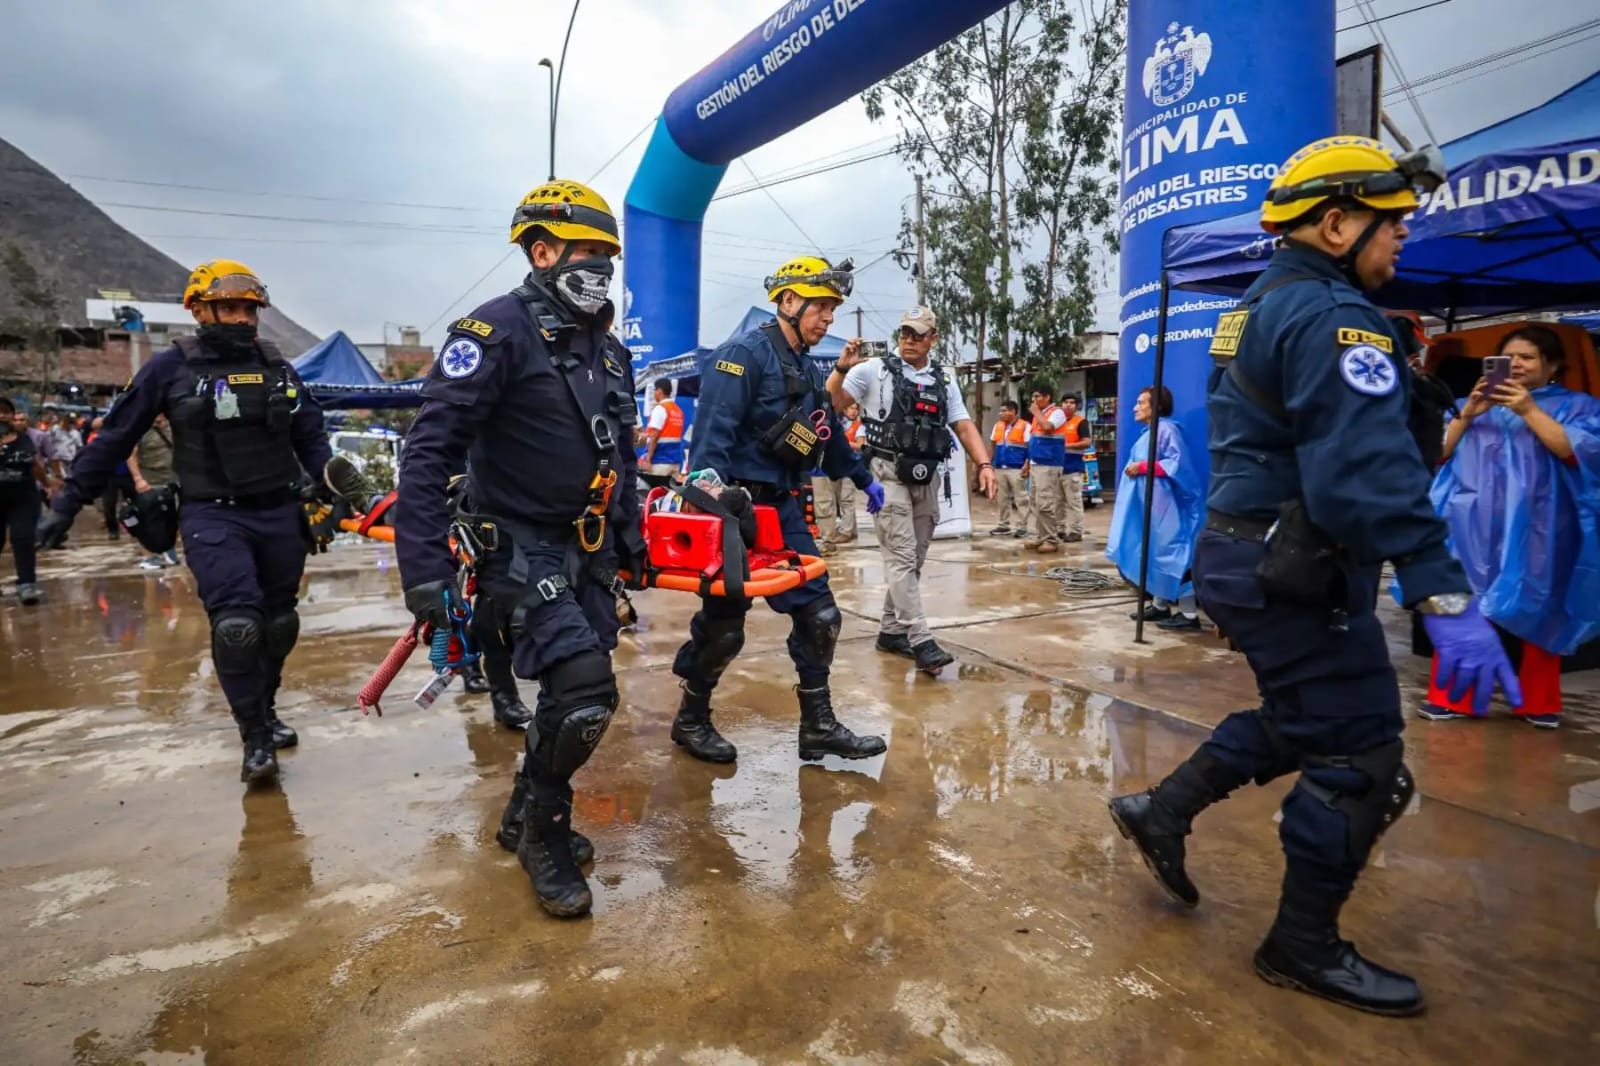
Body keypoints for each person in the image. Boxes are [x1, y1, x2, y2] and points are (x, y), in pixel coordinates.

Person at [1106, 137, 1520, 1017]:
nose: (1401, 235)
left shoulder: (1260, 305)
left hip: (1250, 554)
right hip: (1291, 564)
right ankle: (1301, 945)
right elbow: (1361, 474)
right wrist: (1442, 589)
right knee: (1362, 754)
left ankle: (1163, 810)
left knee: (1304, 718)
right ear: (1335, 225)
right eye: (1389, 221)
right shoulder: (1334, 318)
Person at [395, 179, 642, 918]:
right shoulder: (493, 332)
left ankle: (520, 811)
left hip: (586, 549)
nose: (600, 267)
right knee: (586, 694)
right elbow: (427, 454)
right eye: (585, 251)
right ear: (541, 252)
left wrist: (630, 541)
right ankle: (544, 834)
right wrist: (425, 571)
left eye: (607, 254)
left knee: (572, 698)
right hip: (517, 548)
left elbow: (621, 454)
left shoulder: (610, 350)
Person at [36, 260, 336, 785]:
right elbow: (115, 437)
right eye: (230, 308)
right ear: (199, 311)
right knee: (238, 627)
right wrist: (67, 504)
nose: (242, 318)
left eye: (249, 310)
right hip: (212, 514)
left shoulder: (277, 366)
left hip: (279, 511)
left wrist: (334, 494)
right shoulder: (168, 368)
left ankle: (265, 707)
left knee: (278, 623)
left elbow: (311, 437)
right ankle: (254, 738)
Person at [668, 254, 887, 765]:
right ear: (789, 301)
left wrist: (862, 479)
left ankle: (818, 728)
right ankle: (691, 718)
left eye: (833, 308)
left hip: (783, 512)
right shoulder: (741, 356)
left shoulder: (807, 368)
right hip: (735, 511)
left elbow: (825, 436)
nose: (828, 317)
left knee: (821, 615)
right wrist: (714, 508)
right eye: (821, 306)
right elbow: (711, 442)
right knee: (724, 629)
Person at [1420, 325, 1600, 728]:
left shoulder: (1579, 407)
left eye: (1528, 357)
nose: (1516, 364)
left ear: (1552, 365)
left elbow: (1577, 452)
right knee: (1458, 606)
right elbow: (1435, 453)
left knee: (1542, 605)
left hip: (1540, 528)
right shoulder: (1466, 405)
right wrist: (1468, 414)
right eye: (1508, 357)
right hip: (1469, 527)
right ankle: (1452, 697)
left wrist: (1528, 410)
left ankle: (1538, 701)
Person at [829, 305, 997, 672]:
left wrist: (984, 465)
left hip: (927, 476)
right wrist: (842, 368)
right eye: (904, 332)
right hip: (886, 475)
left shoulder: (944, 379)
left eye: (917, 334)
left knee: (914, 558)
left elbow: (963, 425)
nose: (909, 340)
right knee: (901, 557)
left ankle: (891, 631)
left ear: (932, 339)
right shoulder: (871, 370)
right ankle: (921, 639)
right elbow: (832, 404)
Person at [1110, 386, 1203, 631]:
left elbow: (1178, 465)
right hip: (1151, 506)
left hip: (1166, 507)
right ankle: (1161, 605)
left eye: (1141, 402)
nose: (1135, 407)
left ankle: (1189, 614)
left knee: (1172, 554)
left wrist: (1143, 466)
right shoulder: (1152, 431)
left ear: (1157, 406)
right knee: (1154, 552)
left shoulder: (1166, 430)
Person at [1, 396, 46, 605]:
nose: (2, 415)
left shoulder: (23, 438)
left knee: (23, 539)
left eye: (6, 412)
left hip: (23, 499)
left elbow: (34, 464)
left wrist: (48, 484)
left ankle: (27, 584)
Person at [126, 415, 181, 569]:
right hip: (149, 481)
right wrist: (138, 478)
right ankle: (151, 556)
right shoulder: (140, 428)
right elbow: (131, 455)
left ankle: (169, 549)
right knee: (150, 521)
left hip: (173, 479)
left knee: (174, 517)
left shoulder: (173, 425)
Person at [812, 400, 863, 553]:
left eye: (855, 408)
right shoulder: (819, 411)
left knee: (842, 500)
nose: (852, 411)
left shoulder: (850, 424)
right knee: (826, 502)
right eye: (850, 408)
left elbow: (858, 445)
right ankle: (830, 537)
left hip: (839, 463)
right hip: (820, 461)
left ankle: (839, 535)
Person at [1023, 384, 1067, 553]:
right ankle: (1041, 536)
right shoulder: (1039, 416)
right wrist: (1027, 463)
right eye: (1033, 397)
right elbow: (1035, 441)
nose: (1034, 400)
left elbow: (1048, 427)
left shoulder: (1057, 413)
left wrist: (1035, 412)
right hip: (1037, 463)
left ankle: (1051, 539)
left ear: (1047, 397)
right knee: (1035, 503)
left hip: (1049, 464)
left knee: (1045, 503)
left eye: (1037, 396)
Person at [988, 400, 1032, 538]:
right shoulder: (998, 426)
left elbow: (1030, 447)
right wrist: (988, 464)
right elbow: (993, 445)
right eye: (1000, 411)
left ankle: (1022, 527)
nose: (1000, 413)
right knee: (1002, 498)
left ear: (1013, 412)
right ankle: (1003, 525)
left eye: (1004, 411)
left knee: (1021, 498)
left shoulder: (1025, 426)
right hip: (1000, 466)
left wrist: (1027, 464)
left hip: (1017, 467)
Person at [1059, 394, 1090, 543]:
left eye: (1072, 403)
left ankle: (1076, 531)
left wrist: (1067, 446)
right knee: (1058, 502)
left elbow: (1086, 442)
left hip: (1073, 467)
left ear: (1076, 406)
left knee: (1074, 502)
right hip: (1057, 467)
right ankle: (1060, 529)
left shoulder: (1081, 422)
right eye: (1065, 402)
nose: (1068, 405)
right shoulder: (1057, 422)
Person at [641, 377, 686, 477]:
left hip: (660, 462)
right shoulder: (678, 410)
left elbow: (654, 436)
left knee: (655, 487)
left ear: (659, 391)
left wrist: (648, 459)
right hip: (675, 462)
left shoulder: (660, 409)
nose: (654, 393)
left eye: (655, 390)